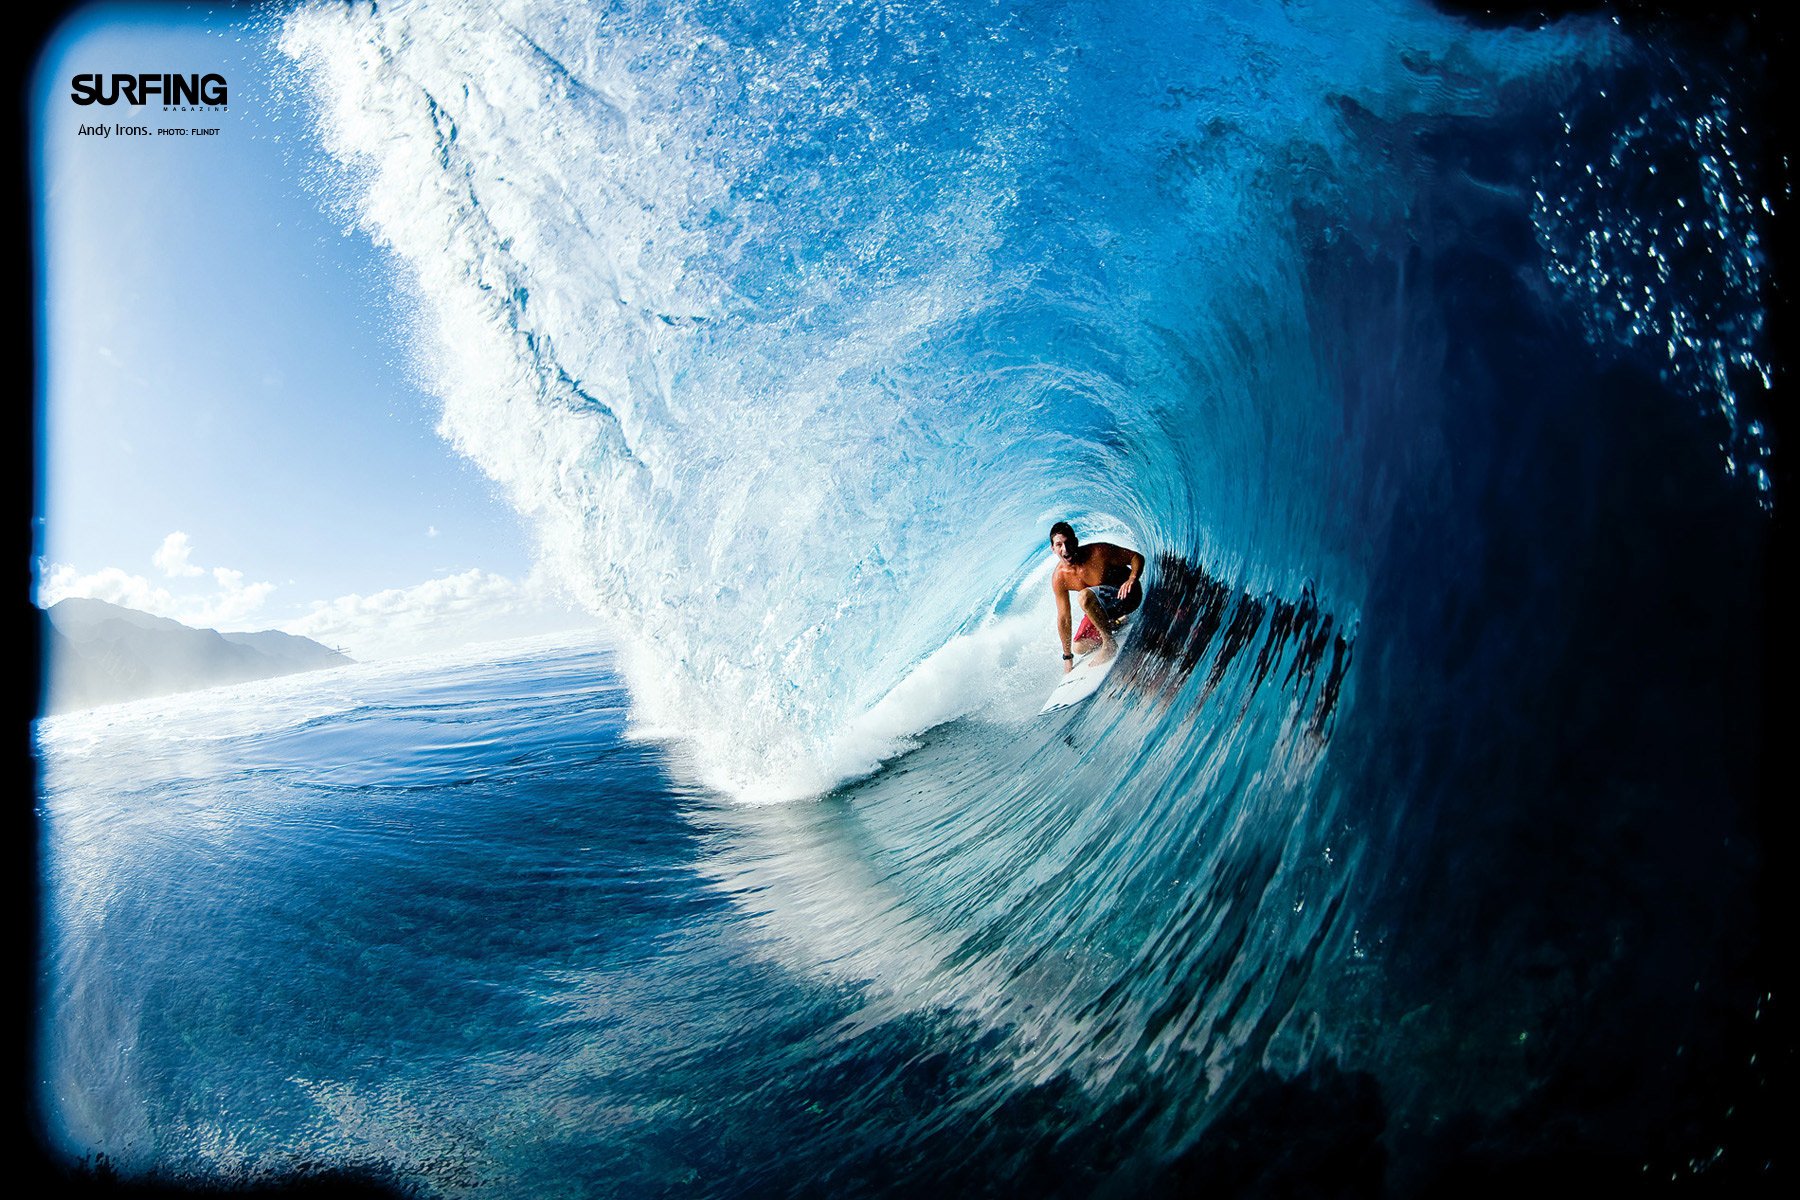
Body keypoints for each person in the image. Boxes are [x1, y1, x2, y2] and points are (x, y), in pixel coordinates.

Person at [1049, 521, 1145, 672]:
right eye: (1059, 545)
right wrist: (1068, 657)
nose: (1065, 549)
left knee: (1084, 596)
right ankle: (1115, 624)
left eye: (1068, 543)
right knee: (1079, 646)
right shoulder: (1059, 578)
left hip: (1128, 597)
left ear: (1075, 542)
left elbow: (1135, 557)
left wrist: (1132, 579)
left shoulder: (1098, 552)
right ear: (1053, 548)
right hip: (1107, 609)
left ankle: (1109, 643)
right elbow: (1064, 618)